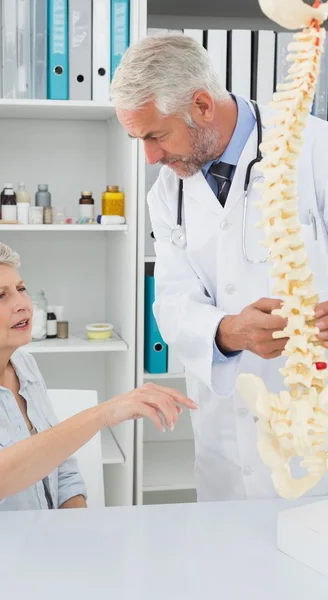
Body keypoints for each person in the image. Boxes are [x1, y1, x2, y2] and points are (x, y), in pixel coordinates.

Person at [110, 32, 328, 501]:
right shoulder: (168, 193)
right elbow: (171, 302)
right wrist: (228, 331)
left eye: (156, 135)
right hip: (225, 448)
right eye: (138, 138)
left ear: (203, 106)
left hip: (314, 428)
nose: (150, 157)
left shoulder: (314, 150)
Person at [0, 237, 197, 513]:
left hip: (42, 543)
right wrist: (102, 414)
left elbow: (60, 467)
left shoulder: (24, 366)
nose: (23, 304)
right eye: (1, 295)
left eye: (21, 288)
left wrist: (75, 532)